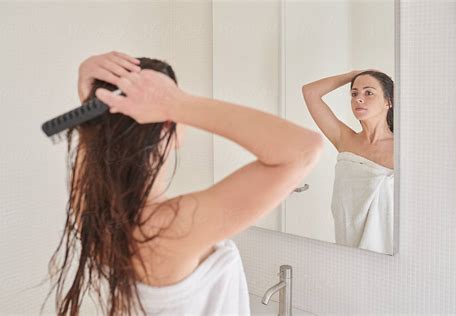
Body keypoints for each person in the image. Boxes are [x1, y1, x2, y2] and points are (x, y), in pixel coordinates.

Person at [44, 51, 324, 316]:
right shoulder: (167, 229)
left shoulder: (99, 212)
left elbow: (94, 152)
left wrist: (89, 102)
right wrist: (176, 103)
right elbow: (302, 149)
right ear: (169, 126)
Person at [302, 70, 395, 254]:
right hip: (348, 244)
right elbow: (310, 92)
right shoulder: (345, 140)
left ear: (388, 101)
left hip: (387, 249)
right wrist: (354, 74)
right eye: (354, 93)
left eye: (369, 92)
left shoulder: (403, 149)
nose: (359, 99)